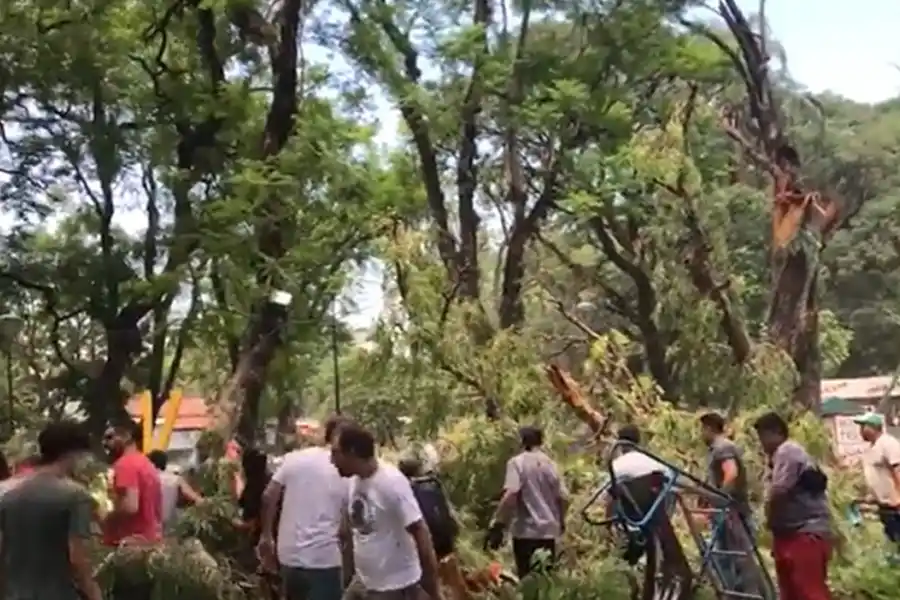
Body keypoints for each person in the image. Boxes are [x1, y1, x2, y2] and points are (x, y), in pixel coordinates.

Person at [331, 421, 440, 600]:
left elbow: (420, 532)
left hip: (393, 586)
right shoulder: (354, 481)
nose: (331, 460)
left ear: (351, 452)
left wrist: (433, 590)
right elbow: (349, 532)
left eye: (335, 453)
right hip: (363, 582)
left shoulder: (391, 483)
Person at [0, 420, 101, 600]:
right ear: (73, 454)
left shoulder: (9, 496)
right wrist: (94, 593)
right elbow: (77, 557)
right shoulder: (75, 496)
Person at [257, 415, 350, 600]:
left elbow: (268, 496)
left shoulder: (293, 459)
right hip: (325, 558)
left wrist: (266, 536)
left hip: (290, 555)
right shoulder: (346, 469)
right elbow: (347, 522)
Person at [753, 412, 832, 600]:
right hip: (789, 532)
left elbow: (779, 490)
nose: (761, 443)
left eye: (763, 436)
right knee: (791, 592)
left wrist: (769, 517)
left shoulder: (787, 451)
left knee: (809, 591)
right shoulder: (774, 458)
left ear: (776, 433)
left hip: (805, 531)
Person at [486, 426, 567, 579]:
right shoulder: (551, 464)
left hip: (526, 533)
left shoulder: (517, 463)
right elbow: (563, 497)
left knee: (528, 582)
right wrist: (561, 521)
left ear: (522, 441)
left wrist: (498, 523)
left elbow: (512, 493)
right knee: (545, 582)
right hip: (549, 533)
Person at [398, 453, 468, 600]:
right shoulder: (433, 483)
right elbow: (449, 511)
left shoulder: (405, 489)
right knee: (451, 580)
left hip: (426, 545)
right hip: (446, 541)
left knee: (429, 584)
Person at [699, 412, 753, 592]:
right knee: (725, 557)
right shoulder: (716, 449)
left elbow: (731, 473)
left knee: (738, 559)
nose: (701, 434)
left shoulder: (723, 447)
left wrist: (720, 499)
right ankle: (733, 592)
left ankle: (743, 594)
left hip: (732, 512)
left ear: (709, 428)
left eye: (702, 429)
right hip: (725, 512)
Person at [102, 420, 163, 546]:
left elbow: (131, 506)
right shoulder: (145, 462)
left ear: (126, 437)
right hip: (149, 539)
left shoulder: (125, 465)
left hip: (132, 542)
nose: (105, 443)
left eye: (110, 438)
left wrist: (106, 516)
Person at [853, 412, 900, 545]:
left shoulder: (888, 443)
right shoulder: (873, 447)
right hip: (884, 503)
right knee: (893, 536)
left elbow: (897, 469)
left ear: (872, 427)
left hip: (895, 502)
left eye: (863, 426)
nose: (860, 431)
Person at [146, 449, 204, 534]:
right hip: (168, 522)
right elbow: (195, 497)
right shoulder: (175, 479)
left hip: (148, 523)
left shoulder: (146, 478)